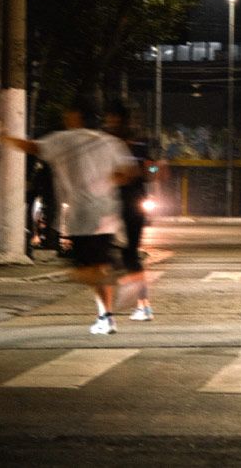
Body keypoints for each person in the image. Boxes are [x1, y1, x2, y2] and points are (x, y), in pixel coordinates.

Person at [1, 97, 138, 335]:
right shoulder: (110, 142)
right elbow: (129, 172)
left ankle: (119, 275)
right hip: (107, 212)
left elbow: (33, 147)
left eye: (68, 114)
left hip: (83, 216)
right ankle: (105, 317)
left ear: (76, 116)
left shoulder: (65, 139)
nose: (66, 119)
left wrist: (5, 137)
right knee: (97, 267)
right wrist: (104, 183)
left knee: (83, 271)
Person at [103, 100, 153, 321]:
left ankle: (143, 304)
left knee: (130, 254)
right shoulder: (104, 144)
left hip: (133, 204)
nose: (111, 122)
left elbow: (149, 169)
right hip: (109, 205)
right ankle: (112, 305)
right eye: (109, 119)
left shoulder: (139, 145)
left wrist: (151, 169)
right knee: (106, 252)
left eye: (115, 118)